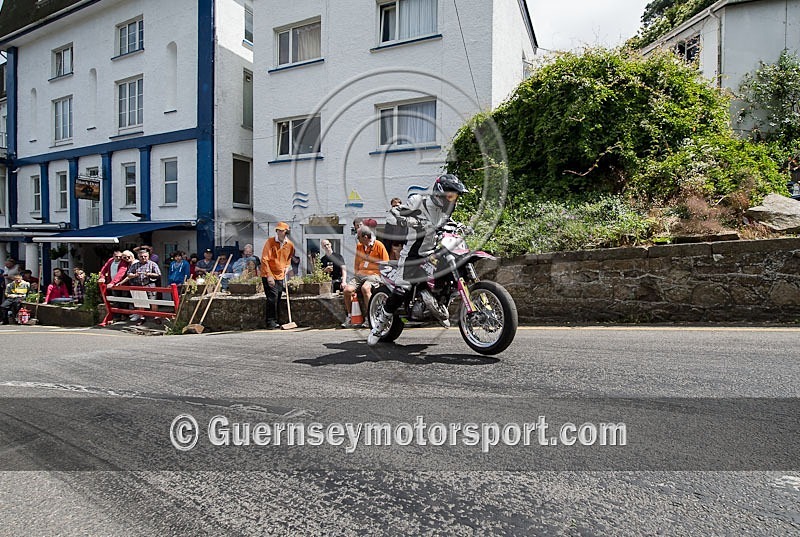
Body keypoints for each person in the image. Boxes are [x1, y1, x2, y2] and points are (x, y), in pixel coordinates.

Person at [368, 174, 468, 345]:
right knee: (402, 288)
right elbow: (393, 214)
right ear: (439, 193)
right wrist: (408, 221)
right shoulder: (418, 202)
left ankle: (440, 305)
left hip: (433, 251)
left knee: (451, 271)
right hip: (412, 255)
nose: (453, 200)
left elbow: (444, 221)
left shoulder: (447, 208)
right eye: (451, 195)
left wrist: (459, 226)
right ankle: (379, 325)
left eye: (455, 196)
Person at [342, 224, 388, 328]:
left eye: (358, 237)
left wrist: (383, 278)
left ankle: (370, 317)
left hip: (374, 274)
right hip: (360, 274)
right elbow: (356, 263)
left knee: (365, 288)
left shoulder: (379, 245)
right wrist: (356, 274)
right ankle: (350, 316)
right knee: (347, 290)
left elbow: (386, 262)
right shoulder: (359, 246)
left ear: (365, 237)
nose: (357, 239)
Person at [260, 221, 295, 329]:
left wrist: (287, 267)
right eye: (278, 230)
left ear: (286, 232)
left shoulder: (289, 245)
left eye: (281, 230)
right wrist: (269, 276)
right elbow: (264, 259)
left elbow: (289, 258)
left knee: (278, 297)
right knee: (272, 298)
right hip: (268, 274)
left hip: (280, 274)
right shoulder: (270, 242)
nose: (279, 232)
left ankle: (276, 320)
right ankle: (270, 321)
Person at [121, 248, 162, 322]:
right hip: (138, 285)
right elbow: (128, 274)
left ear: (148, 256)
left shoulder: (152, 264)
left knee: (153, 302)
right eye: (141, 256)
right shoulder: (135, 265)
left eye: (145, 256)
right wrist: (135, 275)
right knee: (140, 302)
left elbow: (158, 274)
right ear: (138, 256)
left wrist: (149, 274)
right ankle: (142, 317)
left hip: (149, 285)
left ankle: (156, 317)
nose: (143, 258)